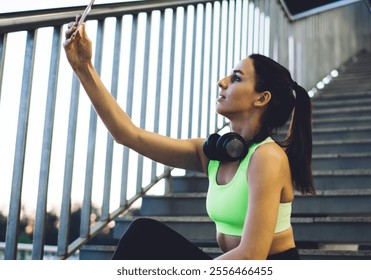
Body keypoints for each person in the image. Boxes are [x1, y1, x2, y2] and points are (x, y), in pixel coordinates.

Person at [63, 16, 315, 260]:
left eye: (236, 78)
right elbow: (129, 136)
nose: (222, 82)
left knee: (144, 237)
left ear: (261, 98)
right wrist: (84, 67)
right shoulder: (215, 153)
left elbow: (252, 256)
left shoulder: (267, 157)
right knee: (144, 234)